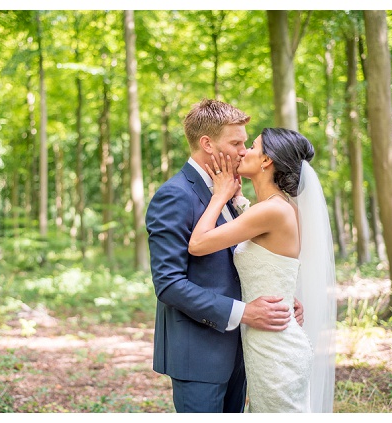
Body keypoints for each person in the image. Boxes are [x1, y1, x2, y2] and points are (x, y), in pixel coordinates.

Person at [145, 99, 304, 413]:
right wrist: (244, 312)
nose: (244, 150)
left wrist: (281, 297)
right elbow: (168, 284)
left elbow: (250, 257)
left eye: (246, 143)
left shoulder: (231, 192)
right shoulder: (175, 195)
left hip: (245, 352)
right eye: (236, 142)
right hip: (199, 357)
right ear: (207, 144)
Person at [188, 127, 337, 412]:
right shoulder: (280, 208)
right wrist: (238, 200)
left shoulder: (271, 211)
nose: (243, 151)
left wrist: (220, 195)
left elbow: (197, 244)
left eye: (252, 146)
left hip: (274, 346)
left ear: (267, 160)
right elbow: (271, 260)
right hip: (269, 335)